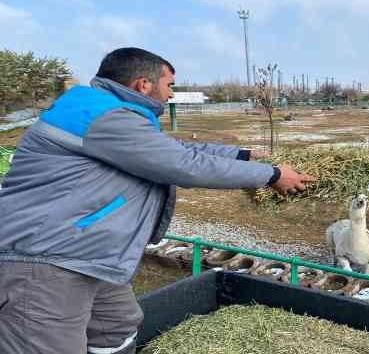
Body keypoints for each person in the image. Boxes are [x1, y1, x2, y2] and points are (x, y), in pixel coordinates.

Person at [0, 47, 315, 354]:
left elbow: (174, 151)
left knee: (116, 326)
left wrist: (242, 154)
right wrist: (272, 175)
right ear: (143, 84)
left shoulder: (108, 112)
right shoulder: (103, 116)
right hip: (45, 258)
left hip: (88, 254)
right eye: (170, 85)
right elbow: (183, 165)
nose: (171, 94)